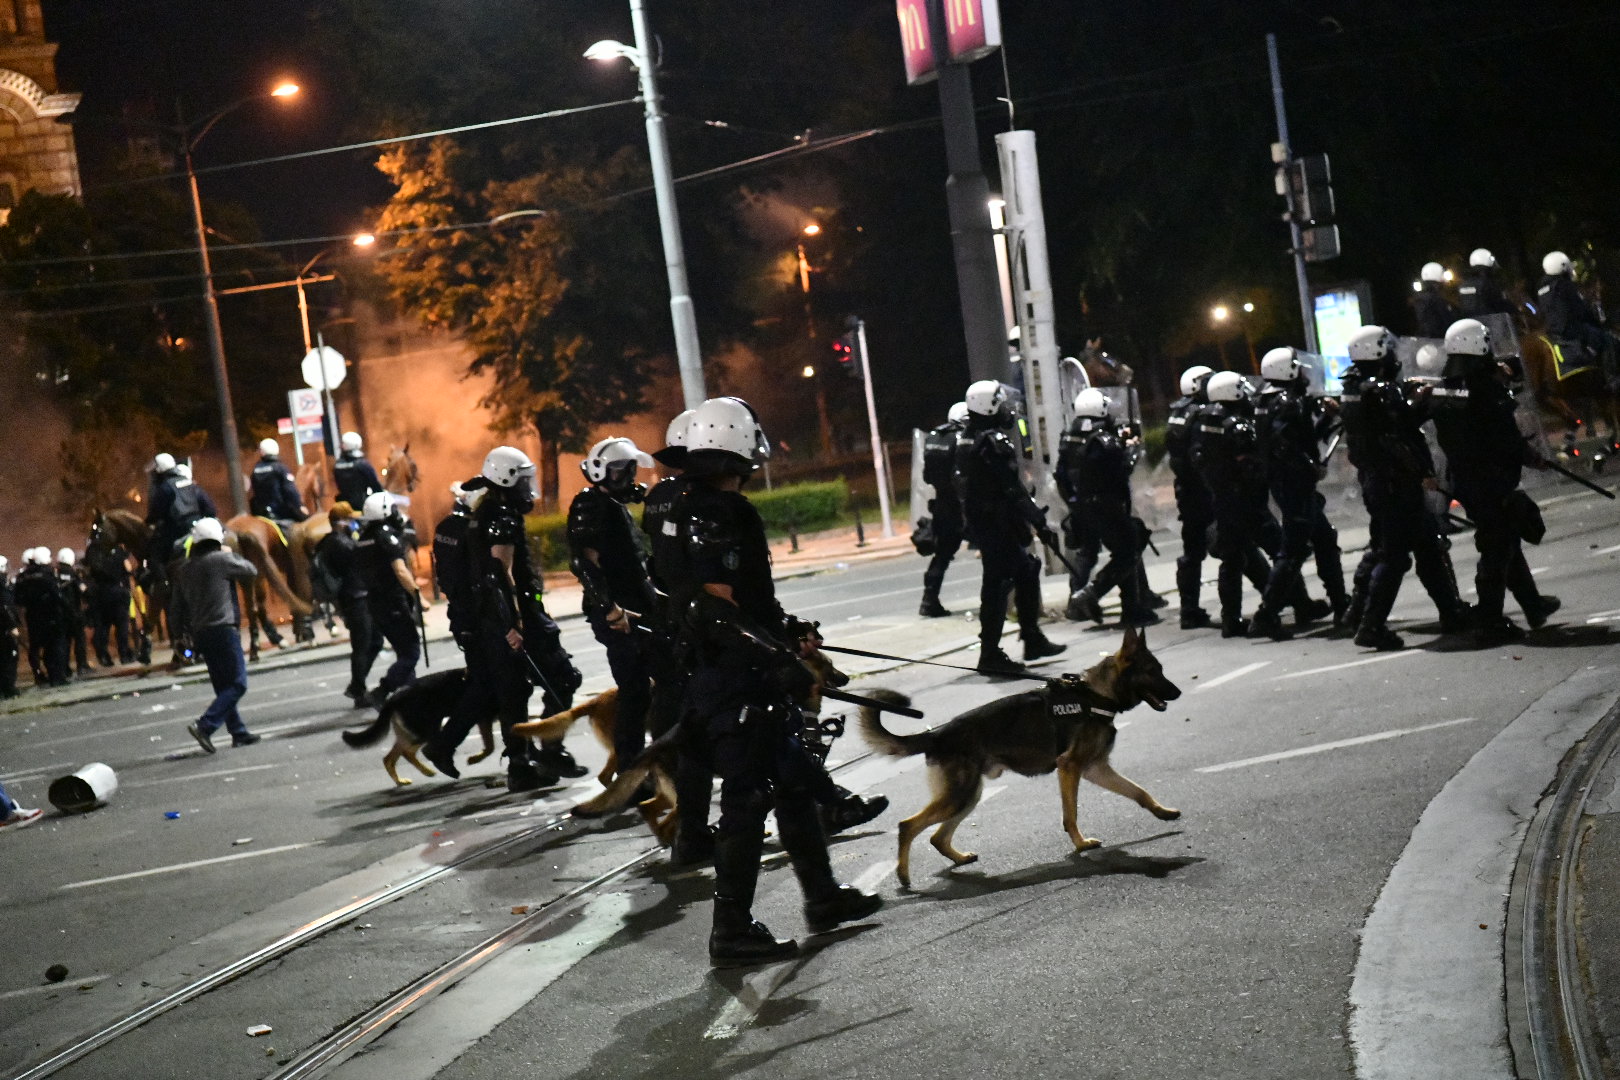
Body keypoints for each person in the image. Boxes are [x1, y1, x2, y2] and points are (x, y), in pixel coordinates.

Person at [669, 396, 882, 965]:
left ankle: (824, 898)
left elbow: (741, 603)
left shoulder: (690, 505)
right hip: (737, 680)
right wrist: (777, 656)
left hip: (733, 671)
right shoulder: (717, 511)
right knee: (747, 799)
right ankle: (731, 932)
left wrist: (787, 632)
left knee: (792, 781)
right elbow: (715, 609)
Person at [422, 447, 584, 792]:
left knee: (512, 693)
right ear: (509, 480)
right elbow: (500, 575)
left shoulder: (483, 513)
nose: (529, 488)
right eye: (524, 480)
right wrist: (514, 624)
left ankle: (521, 765)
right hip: (516, 618)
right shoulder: (504, 519)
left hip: (493, 621)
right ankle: (549, 751)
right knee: (563, 678)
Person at [1339, 325, 1471, 650]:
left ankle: (1451, 611)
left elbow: (1388, 425)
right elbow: (1396, 435)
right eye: (1387, 348)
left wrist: (1413, 398)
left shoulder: (1357, 387)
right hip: (1394, 483)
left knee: (1428, 546)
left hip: (1382, 481)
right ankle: (1370, 626)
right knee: (1394, 557)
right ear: (1376, 352)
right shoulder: (1380, 389)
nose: (1393, 355)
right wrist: (1420, 471)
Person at [1431, 319, 1562, 645]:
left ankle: (1533, 606)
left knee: (1505, 543)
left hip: (1466, 479)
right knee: (1496, 547)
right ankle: (1489, 619)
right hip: (1490, 479)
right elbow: (1504, 435)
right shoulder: (1483, 388)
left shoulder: (1446, 387)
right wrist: (1534, 457)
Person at [954, 379, 1066, 676]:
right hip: (996, 524)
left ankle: (1030, 638)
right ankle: (991, 653)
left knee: (1023, 572)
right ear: (988, 406)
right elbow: (1011, 488)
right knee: (998, 585)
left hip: (986, 522)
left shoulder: (966, 438)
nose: (1006, 410)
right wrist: (1037, 520)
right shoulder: (991, 442)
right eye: (1001, 404)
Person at [568, 436, 660, 777]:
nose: (628, 477)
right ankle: (631, 770)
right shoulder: (588, 504)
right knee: (635, 693)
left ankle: (653, 762)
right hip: (620, 614)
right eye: (622, 471)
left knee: (659, 684)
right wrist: (610, 608)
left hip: (639, 607)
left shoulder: (609, 503)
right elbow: (584, 563)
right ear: (600, 471)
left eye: (630, 471)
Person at [1250, 348, 1349, 638]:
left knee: (1324, 540)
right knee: (1293, 550)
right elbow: (1286, 445)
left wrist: (1325, 421)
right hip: (1294, 484)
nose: (1304, 374)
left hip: (1287, 483)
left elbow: (1299, 438)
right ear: (1287, 371)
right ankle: (1266, 615)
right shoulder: (1286, 402)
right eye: (1298, 368)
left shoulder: (1266, 401)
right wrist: (1310, 467)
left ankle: (1342, 604)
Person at [1060, 388, 1158, 627]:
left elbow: (1060, 474)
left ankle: (1130, 607)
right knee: (1127, 552)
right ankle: (1091, 594)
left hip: (1083, 508)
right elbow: (1121, 469)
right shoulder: (1104, 441)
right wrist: (1132, 449)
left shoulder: (1069, 437)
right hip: (1107, 507)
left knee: (1110, 549)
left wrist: (1074, 502)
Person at [1190, 372, 1273, 637]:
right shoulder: (1235, 424)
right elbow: (1253, 456)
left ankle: (1230, 619)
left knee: (1232, 560)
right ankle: (1283, 606)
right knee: (1283, 550)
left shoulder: (1206, 420)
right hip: (1245, 500)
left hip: (1223, 498)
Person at [174, 517, 261, 752]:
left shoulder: (186, 567)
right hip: (223, 629)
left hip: (202, 632)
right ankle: (205, 725)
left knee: (223, 685)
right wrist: (229, 553)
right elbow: (251, 571)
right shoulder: (220, 560)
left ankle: (238, 732)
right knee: (238, 683)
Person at [354, 491, 422, 703]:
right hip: (393, 600)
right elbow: (400, 570)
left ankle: (410, 695)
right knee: (411, 652)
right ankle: (382, 691)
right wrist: (417, 594)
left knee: (403, 652)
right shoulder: (386, 536)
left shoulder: (362, 539)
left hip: (374, 602)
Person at [1166, 366, 1216, 627]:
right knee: (1236, 548)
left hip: (1186, 491)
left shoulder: (1178, 413)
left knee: (1192, 552)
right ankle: (1275, 599)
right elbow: (1200, 457)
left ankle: (1189, 609)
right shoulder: (1198, 415)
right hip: (1203, 492)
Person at [315, 503, 377, 705]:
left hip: (357, 597)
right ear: (342, 522)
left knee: (374, 641)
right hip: (354, 598)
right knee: (362, 645)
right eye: (350, 520)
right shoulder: (339, 543)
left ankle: (357, 686)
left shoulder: (331, 542)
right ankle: (358, 691)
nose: (353, 523)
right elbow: (359, 560)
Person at [917, 401, 970, 618]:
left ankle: (929, 600)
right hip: (964, 506)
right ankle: (1002, 600)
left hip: (942, 505)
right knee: (994, 550)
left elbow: (927, 476)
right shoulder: (960, 440)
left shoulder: (936, 437)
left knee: (942, 555)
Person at [1536, 251, 1618, 380]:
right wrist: (1597, 323)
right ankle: (1612, 379)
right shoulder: (1565, 286)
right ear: (1562, 267)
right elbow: (1581, 310)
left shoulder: (1542, 289)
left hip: (1553, 332)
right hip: (1572, 329)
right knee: (1607, 339)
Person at [15, 547, 68, 686]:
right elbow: (57, 596)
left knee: (38, 646)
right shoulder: (47, 575)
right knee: (55, 647)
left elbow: (18, 599)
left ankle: (41, 674)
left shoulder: (24, 577)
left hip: (33, 617)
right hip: (51, 615)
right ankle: (57, 676)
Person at [84, 528, 134, 666]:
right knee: (122, 626)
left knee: (103, 627)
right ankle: (124, 654)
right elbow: (128, 569)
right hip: (117, 592)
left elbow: (88, 571)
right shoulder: (117, 550)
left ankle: (104, 656)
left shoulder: (91, 551)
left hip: (100, 594)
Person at [249, 438, 308, 522]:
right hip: (280, 511)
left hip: (261, 512)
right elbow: (290, 490)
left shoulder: (255, 469)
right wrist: (299, 505)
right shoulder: (280, 468)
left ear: (262, 452)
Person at [55, 548, 91, 676]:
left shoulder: (55, 574)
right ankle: (82, 665)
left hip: (61, 614)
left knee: (65, 642)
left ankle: (65, 669)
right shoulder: (73, 573)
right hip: (75, 612)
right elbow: (83, 590)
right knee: (80, 640)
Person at [1457, 249, 1516, 320]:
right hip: (1491, 324)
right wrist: (1514, 309)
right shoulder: (1488, 284)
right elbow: (1499, 303)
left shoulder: (1463, 285)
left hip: (1470, 325)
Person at [333, 432, 384, 512]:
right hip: (363, 505)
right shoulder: (363, 464)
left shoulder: (337, 465)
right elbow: (375, 485)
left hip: (344, 504)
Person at [1413, 262, 1457, 338]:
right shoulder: (1437, 299)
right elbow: (1447, 321)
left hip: (1424, 339)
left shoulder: (1419, 297)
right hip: (1438, 340)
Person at [0, 556, 20, 698]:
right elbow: (4, 607)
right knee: (8, 657)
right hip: (4, 629)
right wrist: (12, 625)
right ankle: (8, 688)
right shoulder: (1, 586)